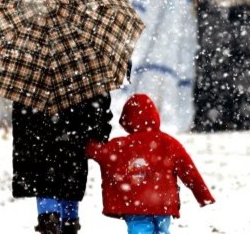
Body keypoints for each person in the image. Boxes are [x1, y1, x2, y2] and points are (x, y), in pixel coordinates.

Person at [86, 93, 215, 234]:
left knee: (139, 229)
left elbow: (96, 151)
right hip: (164, 204)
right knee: (162, 230)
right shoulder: (169, 143)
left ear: (127, 120)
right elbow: (189, 171)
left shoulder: (120, 146)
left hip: (134, 206)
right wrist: (203, 195)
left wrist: (83, 139)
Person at [12, 92, 113, 234]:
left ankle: (49, 223)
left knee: (45, 185)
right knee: (69, 185)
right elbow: (99, 103)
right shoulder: (83, 74)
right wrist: (99, 133)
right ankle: (68, 224)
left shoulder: (31, 76)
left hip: (39, 141)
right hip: (73, 138)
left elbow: (21, 115)